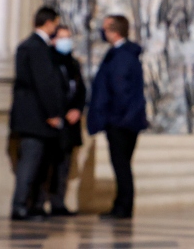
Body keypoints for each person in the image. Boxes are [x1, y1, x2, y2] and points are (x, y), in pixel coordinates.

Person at [8, 6, 67, 221]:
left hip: (35, 117)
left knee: (37, 165)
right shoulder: (36, 47)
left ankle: (32, 205)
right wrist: (52, 113)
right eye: (56, 23)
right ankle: (21, 206)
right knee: (29, 164)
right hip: (35, 117)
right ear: (49, 23)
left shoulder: (33, 45)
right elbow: (43, 82)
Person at [87, 15, 148, 220]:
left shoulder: (121, 56)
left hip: (121, 120)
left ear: (115, 31)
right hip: (127, 119)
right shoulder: (125, 54)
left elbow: (119, 88)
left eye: (105, 29)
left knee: (121, 165)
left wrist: (113, 116)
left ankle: (123, 208)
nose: (102, 33)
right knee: (122, 165)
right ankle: (120, 205)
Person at [44, 24, 86, 216]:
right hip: (52, 120)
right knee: (46, 164)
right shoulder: (47, 61)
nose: (66, 41)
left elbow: (80, 89)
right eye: (62, 37)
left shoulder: (73, 64)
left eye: (68, 37)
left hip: (70, 122)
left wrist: (77, 108)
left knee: (64, 164)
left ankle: (58, 202)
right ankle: (39, 202)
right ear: (53, 40)